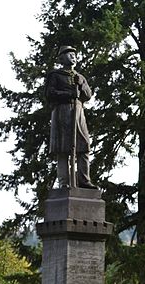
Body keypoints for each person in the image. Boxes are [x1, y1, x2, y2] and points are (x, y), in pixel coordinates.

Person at [45, 45, 97, 189]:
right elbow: (49, 94)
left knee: (84, 147)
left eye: (74, 54)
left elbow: (88, 95)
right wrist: (68, 94)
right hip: (62, 112)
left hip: (78, 113)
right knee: (62, 150)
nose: (73, 56)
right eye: (69, 54)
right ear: (62, 58)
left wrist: (81, 85)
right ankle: (64, 183)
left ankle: (84, 181)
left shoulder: (79, 77)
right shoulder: (55, 75)